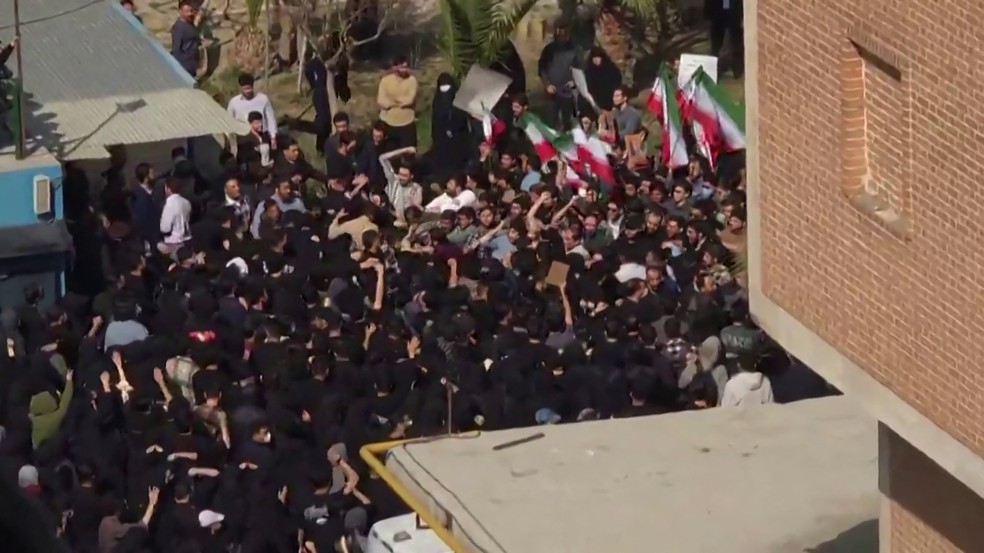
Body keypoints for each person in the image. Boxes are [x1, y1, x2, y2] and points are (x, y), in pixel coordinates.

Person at [427, 73, 472, 181]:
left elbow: (462, 118)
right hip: (441, 139)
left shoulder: (457, 100)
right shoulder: (438, 100)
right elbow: (436, 120)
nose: (445, 91)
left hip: (458, 138)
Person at [537, 22, 580, 130]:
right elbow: (542, 68)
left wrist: (574, 81)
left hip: (568, 92)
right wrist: (547, 84)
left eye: (564, 34)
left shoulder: (575, 50)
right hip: (552, 91)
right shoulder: (549, 50)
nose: (561, 37)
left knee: (568, 121)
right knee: (550, 122)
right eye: (559, 34)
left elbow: (580, 68)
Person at [376, 56, 418, 149]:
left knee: (409, 153)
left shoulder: (412, 80)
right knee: (389, 152)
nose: (405, 69)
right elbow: (381, 101)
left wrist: (391, 100)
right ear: (394, 67)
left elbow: (409, 100)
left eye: (406, 67)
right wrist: (399, 102)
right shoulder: (385, 80)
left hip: (407, 122)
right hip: (388, 122)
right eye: (402, 67)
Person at [227, 74, 278, 145]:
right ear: (240, 88)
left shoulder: (263, 99)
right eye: (245, 89)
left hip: (262, 135)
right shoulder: (234, 102)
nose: (248, 91)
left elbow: (270, 118)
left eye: (249, 88)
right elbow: (229, 121)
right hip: (243, 138)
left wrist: (273, 136)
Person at [706, 0, 744, 78]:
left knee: (736, 42)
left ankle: (737, 70)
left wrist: (741, 14)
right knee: (716, 44)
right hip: (718, 15)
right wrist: (708, 14)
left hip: (733, 16)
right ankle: (713, 70)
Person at [171, 0, 201, 77]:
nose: (190, 13)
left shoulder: (189, 24)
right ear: (180, 12)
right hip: (184, 65)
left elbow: (192, 38)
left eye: (191, 11)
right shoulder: (179, 28)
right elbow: (176, 49)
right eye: (187, 11)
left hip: (192, 62)